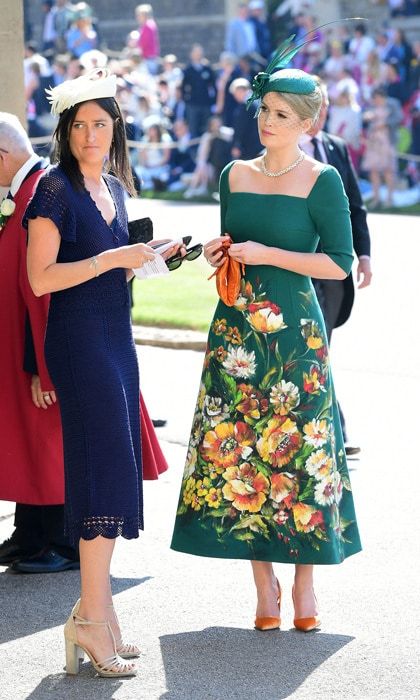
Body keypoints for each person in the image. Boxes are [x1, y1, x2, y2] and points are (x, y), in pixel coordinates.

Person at [171, 58, 362, 631]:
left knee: (301, 453)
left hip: (298, 336)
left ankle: (305, 582)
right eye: (263, 110)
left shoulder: (321, 180)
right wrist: (220, 251)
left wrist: (270, 254)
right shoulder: (233, 173)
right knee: (242, 450)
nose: (267, 121)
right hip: (236, 330)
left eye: (281, 114)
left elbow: (339, 261)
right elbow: (234, 243)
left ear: (307, 123)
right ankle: (263, 585)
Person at [24, 69, 181, 678]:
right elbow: (41, 279)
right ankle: (92, 621)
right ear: (65, 131)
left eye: (101, 123)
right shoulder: (53, 191)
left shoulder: (113, 184)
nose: (91, 133)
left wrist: (148, 257)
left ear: (116, 128)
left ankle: (99, 614)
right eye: (79, 125)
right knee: (100, 467)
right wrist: (111, 257)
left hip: (116, 335)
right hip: (78, 341)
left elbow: (111, 269)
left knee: (114, 466)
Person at [0, 112, 79, 574]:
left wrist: (43, 367)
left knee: (51, 444)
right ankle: (29, 535)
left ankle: (63, 543)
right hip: (21, 346)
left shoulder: (41, 195)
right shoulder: (22, 193)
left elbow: (46, 292)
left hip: (43, 349)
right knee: (29, 443)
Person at [300, 78, 372, 454]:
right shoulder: (279, 151)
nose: (320, 116)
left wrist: (364, 254)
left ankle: (329, 430)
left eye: (324, 108)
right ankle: (332, 432)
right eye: (314, 108)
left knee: (320, 347)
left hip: (335, 269)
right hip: (298, 267)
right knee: (314, 348)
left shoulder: (335, 148)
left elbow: (354, 205)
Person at [362, 86, 402, 208]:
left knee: (388, 170)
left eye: (378, 97)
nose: (377, 100)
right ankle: (376, 198)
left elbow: (398, 117)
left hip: (387, 141)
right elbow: (364, 118)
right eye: (375, 98)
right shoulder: (372, 106)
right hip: (373, 142)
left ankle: (390, 199)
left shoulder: (393, 103)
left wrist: (385, 123)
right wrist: (367, 117)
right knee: (373, 170)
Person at [230, 77, 262, 160]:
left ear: (240, 90)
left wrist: (236, 145)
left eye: (235, 93)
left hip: (249, 147)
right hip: (260, 144)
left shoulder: (245, 105)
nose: (235, 97)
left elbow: (240, 127)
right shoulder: (258, 101)